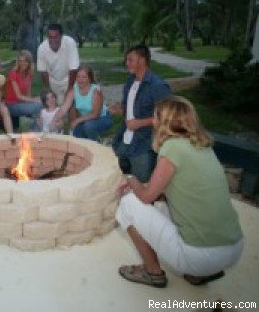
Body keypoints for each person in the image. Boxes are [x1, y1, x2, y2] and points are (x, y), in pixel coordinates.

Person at [115, 96, 243, 288]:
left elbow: (146, 196)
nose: (153, 121)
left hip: (200, 256)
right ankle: (199, 274)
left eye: (155, 117)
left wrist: (131, 179)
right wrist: (144, 186)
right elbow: (166, 190)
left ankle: (152, 272)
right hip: (234, 249)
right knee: (160, 206)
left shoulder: (172, 148)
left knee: (128, 203)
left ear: (165, 122)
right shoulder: (202, 146)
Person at [110, 45, 171, 182]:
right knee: (117, 175)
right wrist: (119, 108)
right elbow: (130, 106)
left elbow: (167, 117)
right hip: (124, 139)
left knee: (141, 182)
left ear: (142, 61)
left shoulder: (158, 86)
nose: (127, 63)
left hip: (143, 144)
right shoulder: (130, 81)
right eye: (127, 60)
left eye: (130, 60)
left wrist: (139, 123)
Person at [50, 65, 113, 141]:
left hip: (102, 118)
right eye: (78, 77)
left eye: (84, 77)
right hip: (86, 120)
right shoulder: (74, 90)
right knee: (77, 132)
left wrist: (77, 120)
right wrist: (54, 120)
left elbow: (95, 114)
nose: (80, 80)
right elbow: (64, 108)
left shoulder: (96, 91)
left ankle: (96, 144)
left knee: (88, 126)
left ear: (89, 79)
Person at [37, 23, 80, 106]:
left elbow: (74, 69)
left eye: (55, 37)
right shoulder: (42, 48)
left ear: (61, 36)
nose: (52, 40)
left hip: (68, 78)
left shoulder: (70, 43)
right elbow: (43, 72)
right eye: (50, 37)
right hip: (52, 80)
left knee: (72, 103)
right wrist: (49, 90)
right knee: (54, 104)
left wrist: (69, 89)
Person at [5, 50, 43, 129]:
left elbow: (28, 94)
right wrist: (34, 100)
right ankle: (34, 130)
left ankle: (34, 129)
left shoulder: (29, 74)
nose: (22, 63)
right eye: (20, 61)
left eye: (25, 61)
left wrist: (33, 100)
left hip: (22, 103)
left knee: (42, 102)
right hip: (12, 105)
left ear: (29, 62)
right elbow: (18, 96)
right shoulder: (13, 74)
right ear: (17, 62)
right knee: (39, 105)